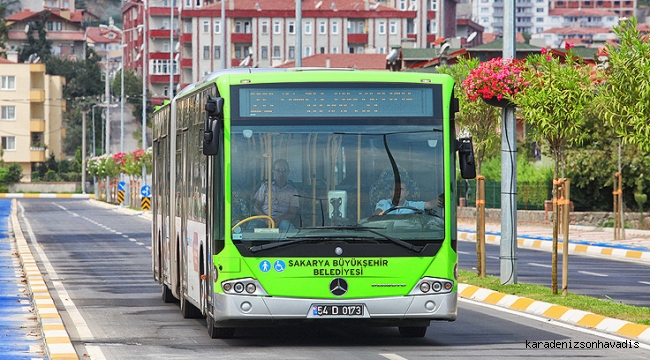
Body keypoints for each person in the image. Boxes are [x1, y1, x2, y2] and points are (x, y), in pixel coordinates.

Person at [249, 159, 299, 230]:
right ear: (273, 171)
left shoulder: (292, 191)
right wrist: (266, 219)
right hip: (263, 219)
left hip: (282, 221)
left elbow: (293, 212)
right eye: (278, 170)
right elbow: (256, 206)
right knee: (252, 227)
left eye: (284, 170)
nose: (281, 173)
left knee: (289, 229)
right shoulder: (265, 187)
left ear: (288, 172)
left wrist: (279, 219)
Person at [374, 182, 443, 215]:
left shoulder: (413, 205)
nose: (398, 192)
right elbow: (378, 211)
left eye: (401, 190)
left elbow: (429, 204)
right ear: (391, 192)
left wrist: (443, 199)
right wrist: (380, 213)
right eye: (395, 189)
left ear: (407, 193)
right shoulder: (384, 203)